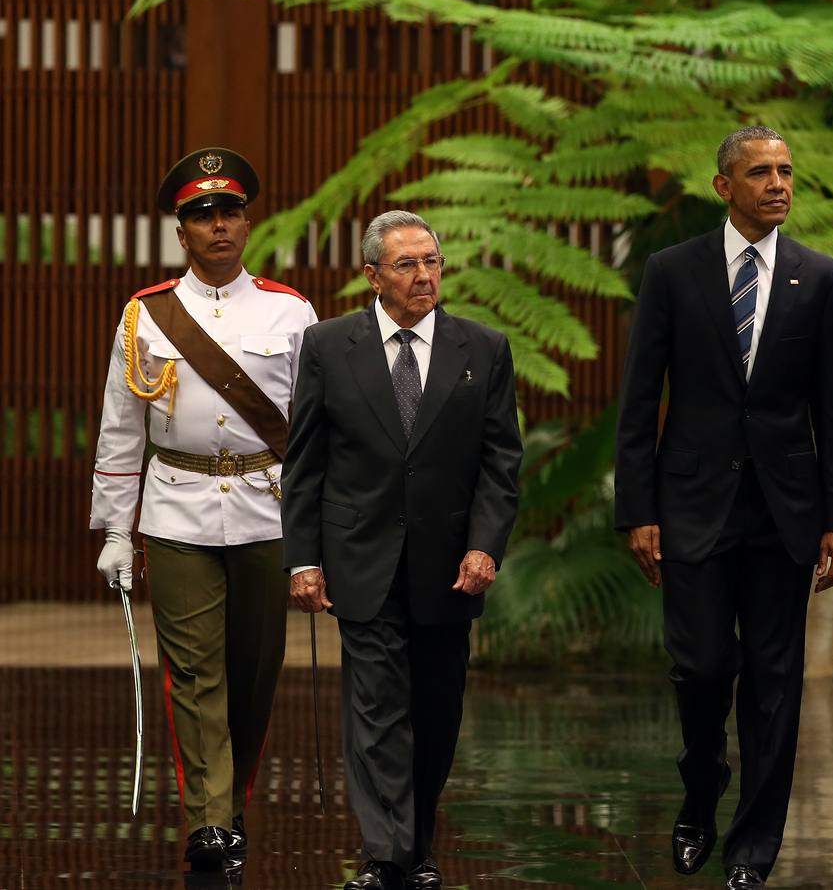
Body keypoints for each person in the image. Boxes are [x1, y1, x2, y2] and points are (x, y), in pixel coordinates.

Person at [614, 125, 833, 890]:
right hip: (690, 503)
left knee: (775, 680)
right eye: (760, 172)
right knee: (701, 667)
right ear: (724, 186)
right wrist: (637, 509)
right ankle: (700, 787)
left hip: (785, 509)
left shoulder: (818, 278)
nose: (778, 184)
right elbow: (638, 399)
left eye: (786, 171)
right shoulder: (671, 271)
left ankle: (753, 850)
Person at [89, 148, 317, 871]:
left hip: (267, 510)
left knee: (255, 670)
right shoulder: (147, 313)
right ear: (181, 232)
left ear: (248, 222)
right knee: (193, 672)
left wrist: (319, 531)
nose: (218, 226)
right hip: (177, 512)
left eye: (229, 212)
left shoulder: (291, 311)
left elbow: (315, 430)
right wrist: (115, 532)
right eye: (201, 215)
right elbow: (122, 429)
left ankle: (232, 798)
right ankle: (209, 820)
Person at [280, 210, 523, 890]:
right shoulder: (329, 346)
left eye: (432, 262)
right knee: (375, 709)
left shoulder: (483, 348)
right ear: (372, 276)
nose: (424, 276)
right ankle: (385, 854)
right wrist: (303, 560)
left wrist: (485, 546)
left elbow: (501, 463)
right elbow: (306, 463)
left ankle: (416, 845)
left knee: (436, 713)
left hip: (450, 565)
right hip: (361, 557)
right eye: (407, 265)